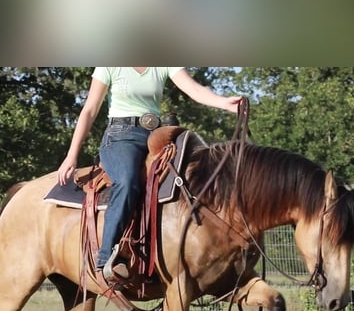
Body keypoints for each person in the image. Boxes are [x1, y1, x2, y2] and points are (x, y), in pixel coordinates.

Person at [56, 67, 241, 279]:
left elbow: (195, 90)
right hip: (120, 136)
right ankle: (107, 256)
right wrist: (72, 155)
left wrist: (224, 103)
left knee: (189, 177)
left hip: (156, 135)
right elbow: (89, 109)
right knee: (127, 181)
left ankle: (170, 253)